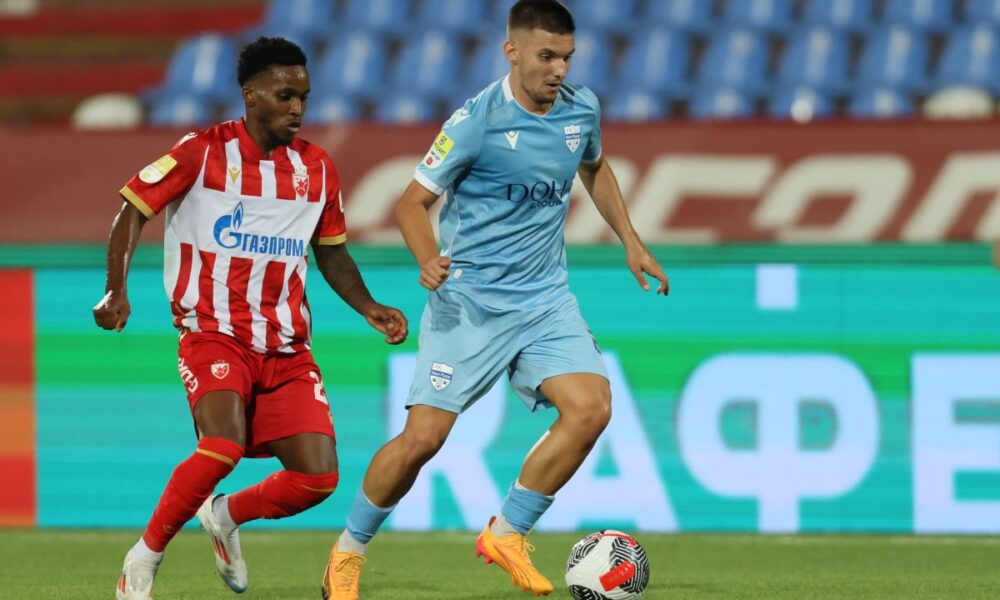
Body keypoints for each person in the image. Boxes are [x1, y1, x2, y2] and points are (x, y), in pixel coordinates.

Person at [321, 1, 668, 597]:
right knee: (422, 441)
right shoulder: (474, 121)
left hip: (544, 300)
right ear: (512, 51)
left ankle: (508, 531)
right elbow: (409, 203)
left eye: (567, 57)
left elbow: (596, 167)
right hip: (470, 305)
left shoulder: (582, 109)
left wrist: (631, 242)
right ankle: (347, 553)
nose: (559, 68)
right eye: (546, 56)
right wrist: (426, 258)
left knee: (592, 406)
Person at [93, 37, 408, 600]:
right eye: (285, 96)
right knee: (222, 446)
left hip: (286, 345)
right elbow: (132, 210)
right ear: (251, 94)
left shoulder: (316, 167)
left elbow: (330, 251)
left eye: (304, 97)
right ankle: (143, 558)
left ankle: (225, 515)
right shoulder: (203, 152)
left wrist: (369, 306)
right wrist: (116, 290)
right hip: (212, 333)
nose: (297, 108)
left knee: (318, 478)